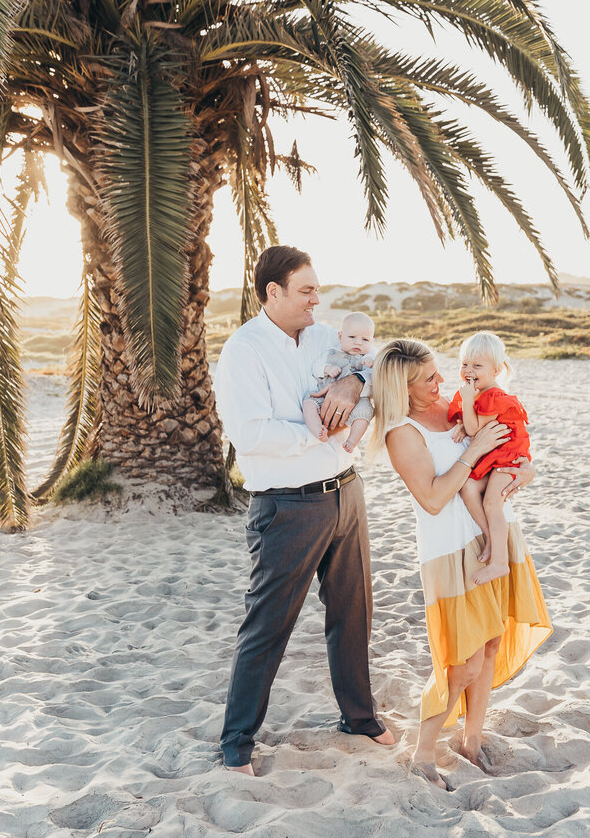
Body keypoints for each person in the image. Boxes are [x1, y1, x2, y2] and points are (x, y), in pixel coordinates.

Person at [213, 246, 394, 775]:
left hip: (346, 493)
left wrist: (353, 381)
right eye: (307, 290)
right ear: (274, 292)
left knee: (354, 613)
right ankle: (237, 742)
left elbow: (376, 359)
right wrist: (321, 435)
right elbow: (249, 434)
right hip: (286, 509)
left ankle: (359, 717)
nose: (318, 299)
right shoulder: (243, 351)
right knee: (268, 626)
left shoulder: (321, 336)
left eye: (317, 288)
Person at [369, 338, 551, 789]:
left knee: (490, 646)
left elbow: (504, 453)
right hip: (449, 551)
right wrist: (473, 451)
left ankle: (471, 740)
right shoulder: (402, 431)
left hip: (491, 537)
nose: (442, 381)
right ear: (405, 388)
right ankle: (424, 754)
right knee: (461, 661)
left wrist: (525, 470)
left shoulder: (454, 406)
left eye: (438, 372)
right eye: (430, 378)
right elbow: (431, 498)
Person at [447, 331, 531, 586]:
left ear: (496, 370)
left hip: (509, 456)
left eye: (477, 365)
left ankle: (499, 563)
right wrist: (464, 419)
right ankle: (492, 540)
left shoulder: (493, 396)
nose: (469, 370)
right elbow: (471, 424)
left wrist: (468, 408)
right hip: (496, 457)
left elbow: (475, 429)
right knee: (468, 487)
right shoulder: (478, 394)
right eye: (465, 364)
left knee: (493, 503)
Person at [302, 311, 376, 452]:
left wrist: (371, 365)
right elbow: (315, 367)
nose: (358, 342)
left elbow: (378, 376)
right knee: (309, 402)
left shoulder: (369, 357)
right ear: (341, 336)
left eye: (365, 340)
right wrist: (327, 368)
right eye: (352, 337)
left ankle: (352, 441)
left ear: (371, 342)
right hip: (323, 396)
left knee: (365, 412)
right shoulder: (331, 352)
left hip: (357, 402)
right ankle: (318, 429)